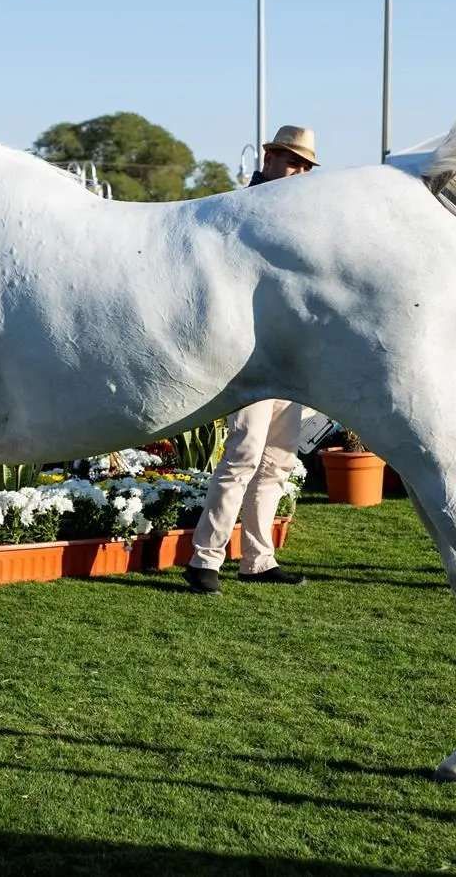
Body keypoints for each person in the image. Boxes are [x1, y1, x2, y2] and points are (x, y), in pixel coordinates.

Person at [183, 124, 320, 595]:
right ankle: (205, 557)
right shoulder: (238, 210)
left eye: (304, 165)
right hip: (250, 354)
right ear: (268, 157)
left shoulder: (300, 218)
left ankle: (258, 559)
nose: (297, 171)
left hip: (288, 356)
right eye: (291, 160)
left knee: (278, 461)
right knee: (243, 453)